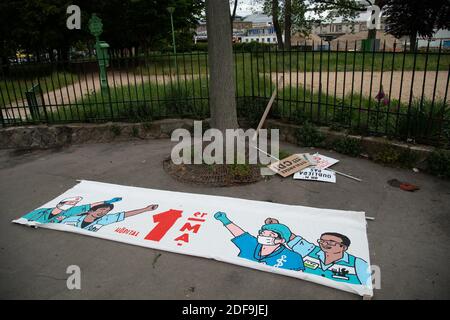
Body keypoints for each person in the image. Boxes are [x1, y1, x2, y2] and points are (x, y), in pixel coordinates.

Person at [265, 218, 371, 286]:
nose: (325, 244)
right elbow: (291, 237)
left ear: (343, 247)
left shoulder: (357, 264)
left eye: (331, 242)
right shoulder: (310, 251)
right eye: (322, 241)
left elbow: (369, 284)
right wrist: (278, 226)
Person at [214, 212, 304, 271]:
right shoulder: (252, 245)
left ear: (281, 240)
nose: (264, 236)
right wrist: (224, 220)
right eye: (263, 233)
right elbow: (239, 233)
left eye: (272, 235)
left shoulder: (293, 257)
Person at [61, 203, 158, 232]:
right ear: (91, 211)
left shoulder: (104, 219)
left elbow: (125, 214)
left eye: (106, 211)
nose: (104, 213)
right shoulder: (71, 218)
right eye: (102, 209)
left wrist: (146, 209)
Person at [21, 196, 122, 224]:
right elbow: (25, 219)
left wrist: (107, 201)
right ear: (60, 203)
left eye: (72, 203)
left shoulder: (69, 211)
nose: (70, 205)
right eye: (68, 203)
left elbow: (89, 205)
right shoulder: (40, 211)